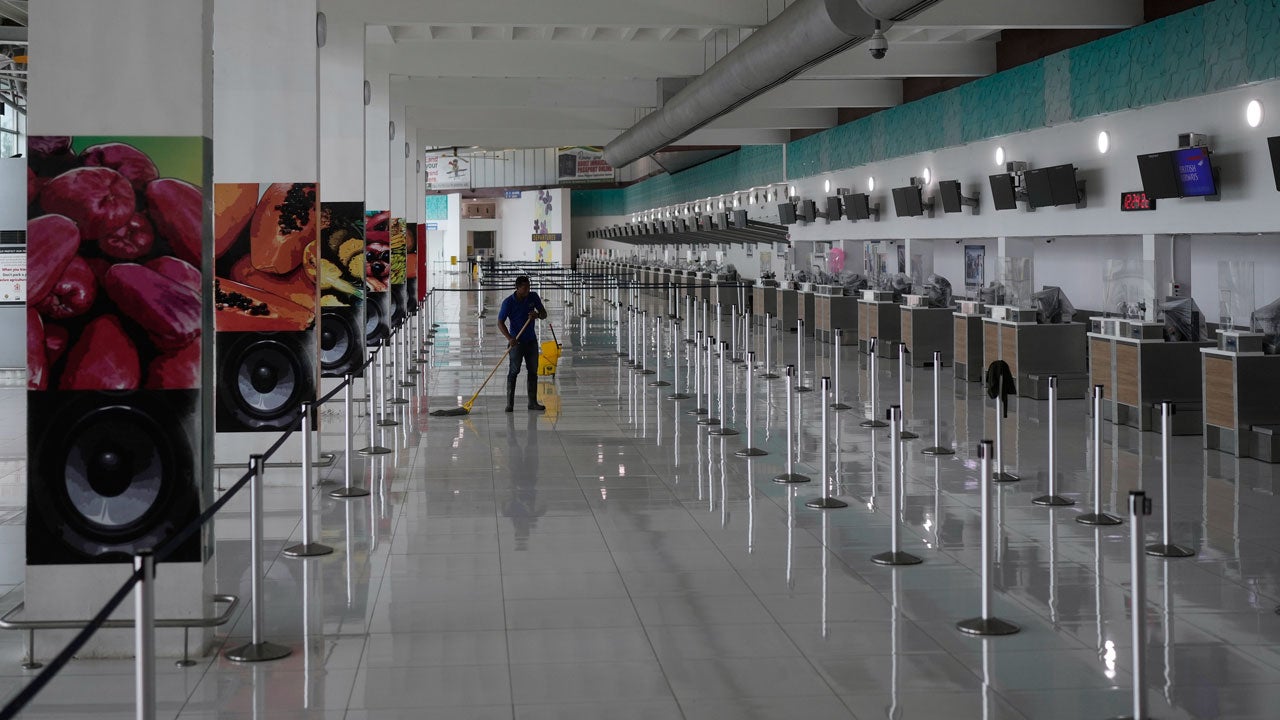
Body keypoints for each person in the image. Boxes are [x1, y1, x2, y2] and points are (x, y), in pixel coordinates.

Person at [497, 276, 548, 412]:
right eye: (525, 288)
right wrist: (509, 338)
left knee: (533, 371)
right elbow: (500, 322)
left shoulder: (533, 297)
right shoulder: (508, 302)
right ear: (517, 288)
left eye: (529, 287)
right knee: (514, 370)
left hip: (531, 341)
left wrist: (537, 315)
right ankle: (510, 404)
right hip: (516, 342)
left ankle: (532, 403)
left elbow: (544, 314)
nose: (527, 290)